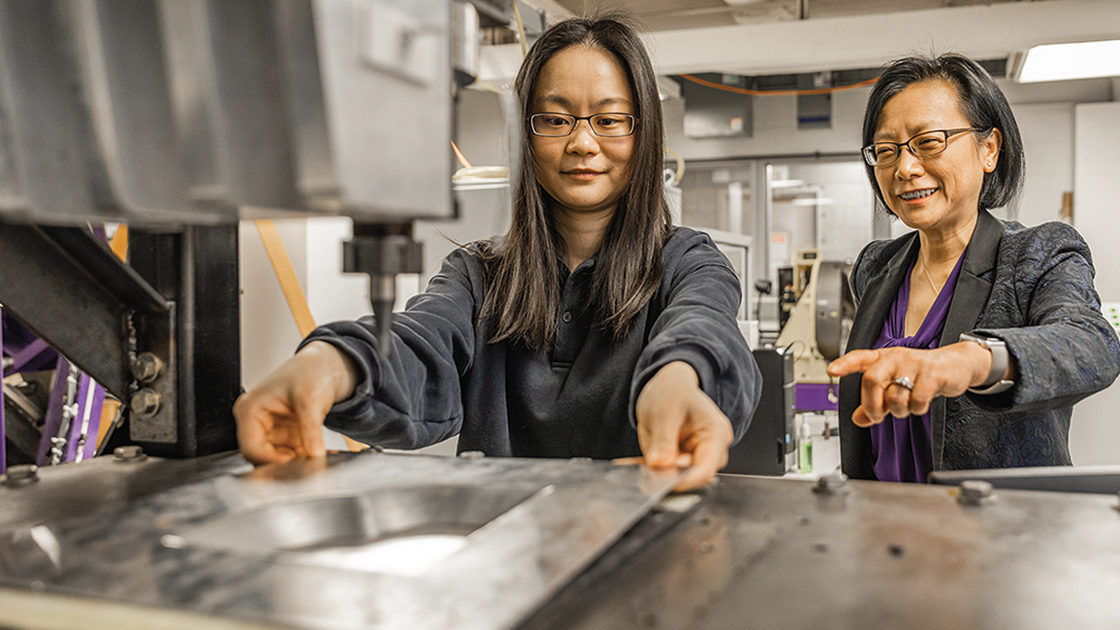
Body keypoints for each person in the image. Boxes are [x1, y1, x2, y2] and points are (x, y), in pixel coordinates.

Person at [233, 16, 761, 491]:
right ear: (526, 138)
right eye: (555, 120)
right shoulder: (478, 273)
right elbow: (420, 347)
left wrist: (677, 379)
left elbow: (703, 325)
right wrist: (330, 364)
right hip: (504, 552)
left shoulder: (687, 261)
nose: (581, 142)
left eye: (609, 118)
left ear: (643, 132)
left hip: (644, 556)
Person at [827, 53, 1120, 482]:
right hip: (882, 527)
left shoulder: (1038, 252)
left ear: (989, 149)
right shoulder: (876, 266)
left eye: (928, 142)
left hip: (995, 533)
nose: (905, 168)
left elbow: (1093, 346)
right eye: (886, 151)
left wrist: (971, 360)